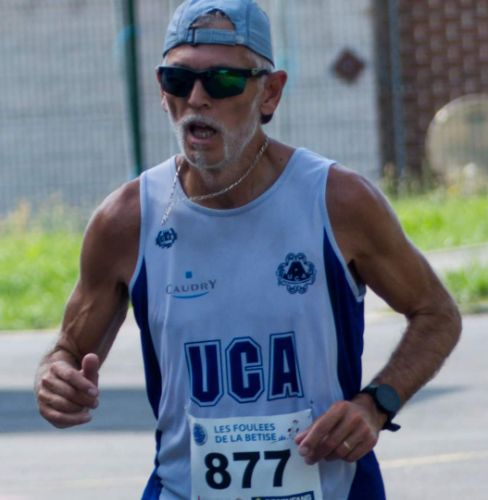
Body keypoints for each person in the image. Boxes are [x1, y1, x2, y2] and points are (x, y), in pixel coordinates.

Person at [35, 0, 461, 498]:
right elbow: (67, 351)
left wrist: (375, 404)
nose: (197, 98)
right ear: (162, 91)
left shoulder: (337, 201)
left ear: (270, 92)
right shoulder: (126, 220)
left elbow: (437, 314)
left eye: (223, 81)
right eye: (179, 79)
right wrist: (55, 379)